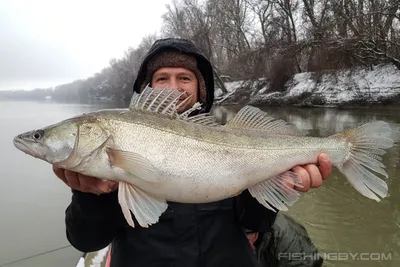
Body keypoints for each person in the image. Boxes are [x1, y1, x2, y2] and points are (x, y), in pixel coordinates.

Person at [53, 38, 332, 267]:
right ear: (147, 89)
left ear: (201, 89)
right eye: (162, 78)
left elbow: (254, 222)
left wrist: (276, 189)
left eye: (184, 77)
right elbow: (86, 241)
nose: (174, 88)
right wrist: (91, 195)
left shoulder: (233, 139)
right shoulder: (112, 150)